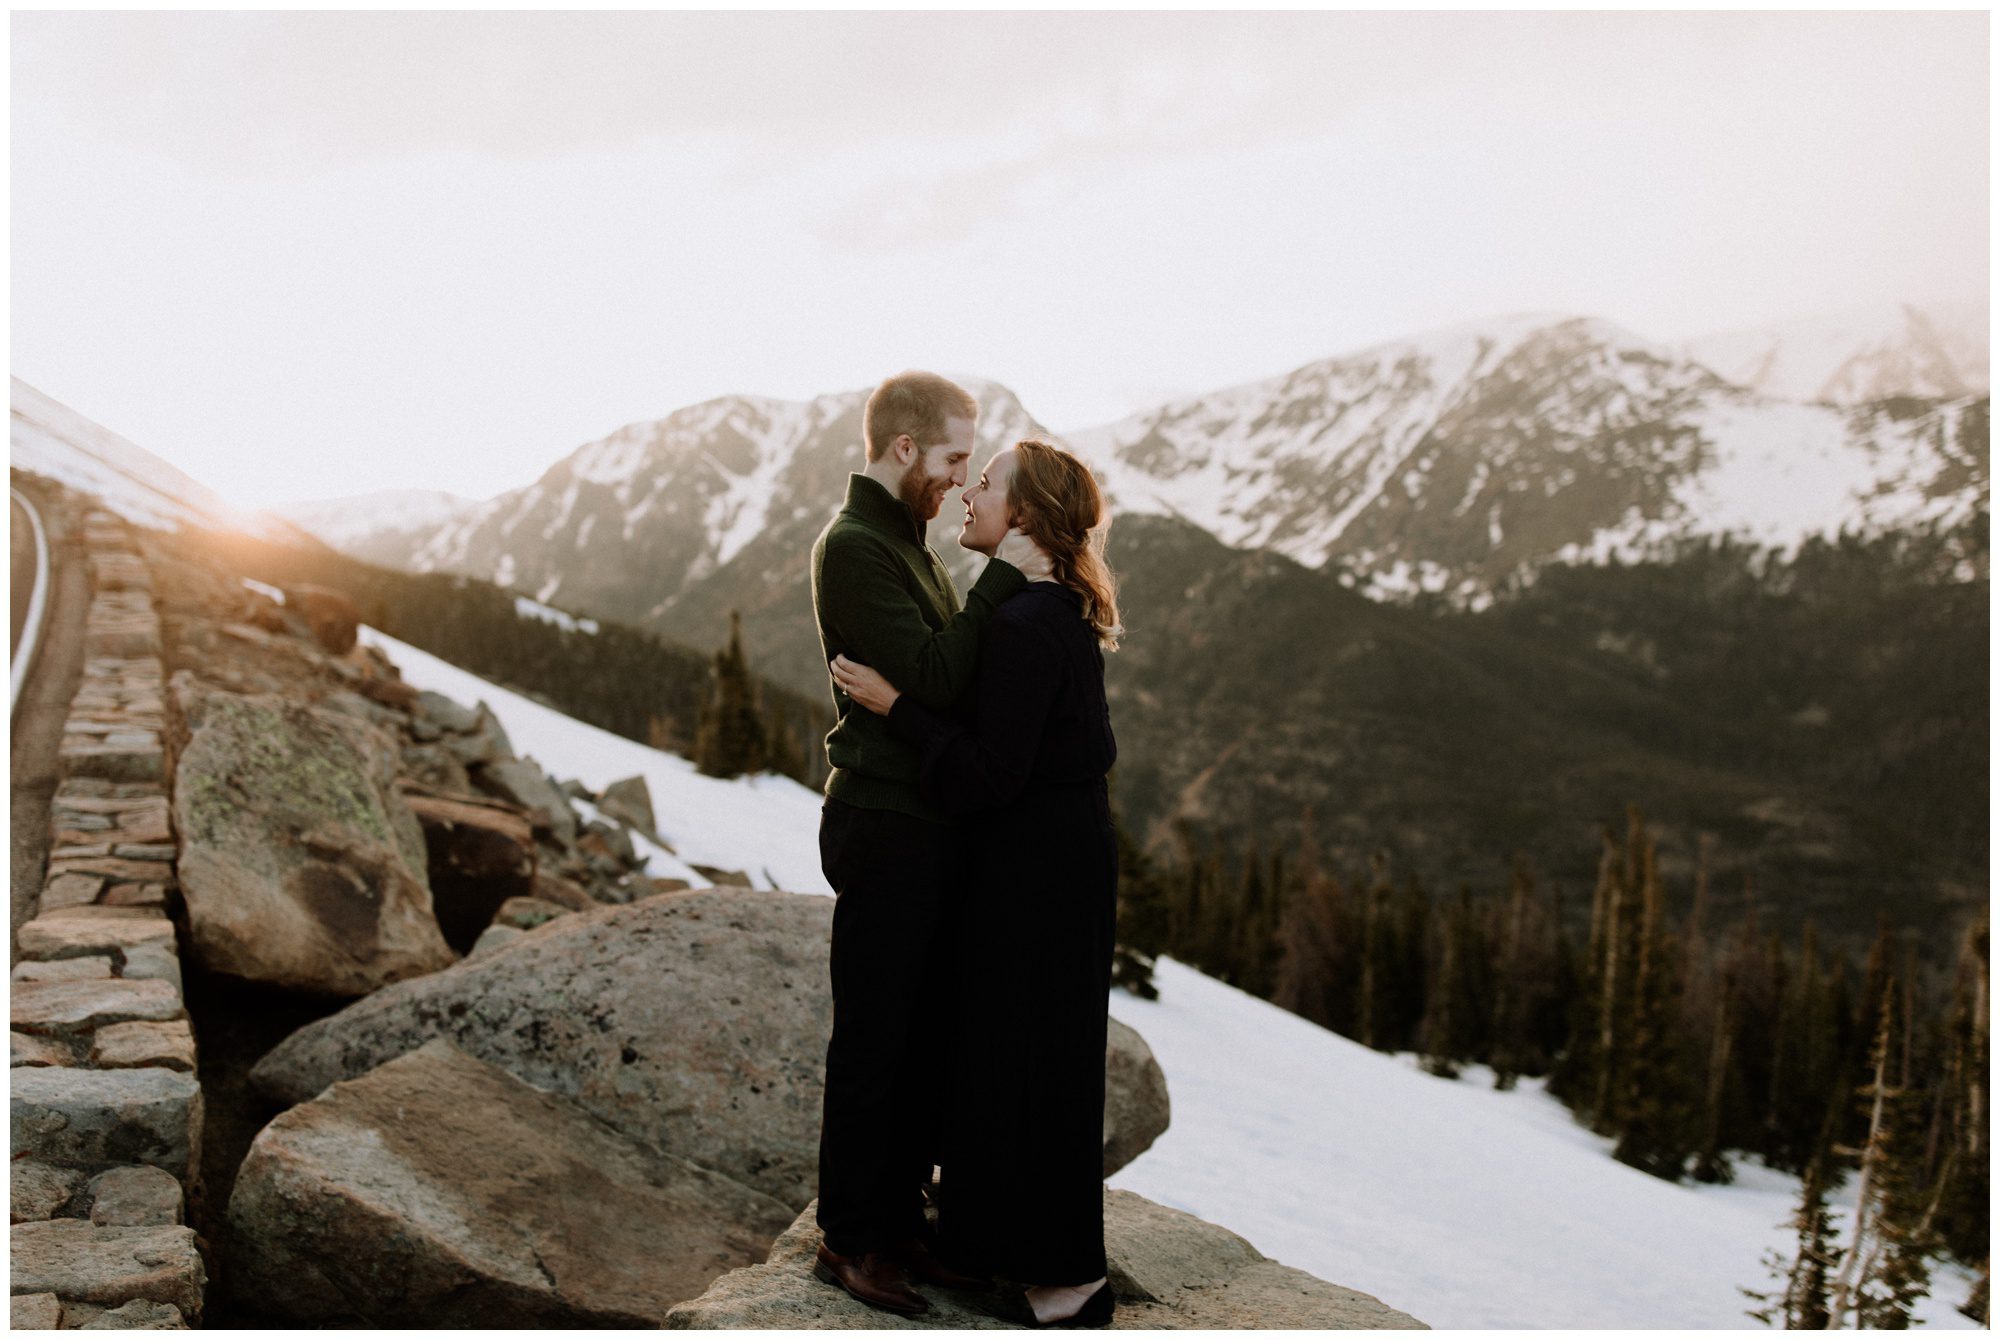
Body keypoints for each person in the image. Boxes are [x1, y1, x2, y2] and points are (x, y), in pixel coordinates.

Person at [830, 438, 1122, 1329]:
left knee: (1033, 1064)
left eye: (987, 484)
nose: (971, 493)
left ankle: (1066, 1280)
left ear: (1023, 515)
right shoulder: (1048, 608)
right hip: (1050, 864)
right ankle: (995, 1246)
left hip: (1038, 873)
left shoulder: (1026, 623)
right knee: (1015, 1058)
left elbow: (991, 773)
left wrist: (897, 709)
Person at [808, 371, 1051, 1317]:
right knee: (877, 1037)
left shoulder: (902, 542)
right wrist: (1001, 581)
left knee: (919, 1039)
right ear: (904, 448)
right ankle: (850, 1238)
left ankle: (901, 1225)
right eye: (953, 458)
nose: (959, 479)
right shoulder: (855, 548)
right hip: (883, 821)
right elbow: (937, 680)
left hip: (924, 819)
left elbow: (937, 680)